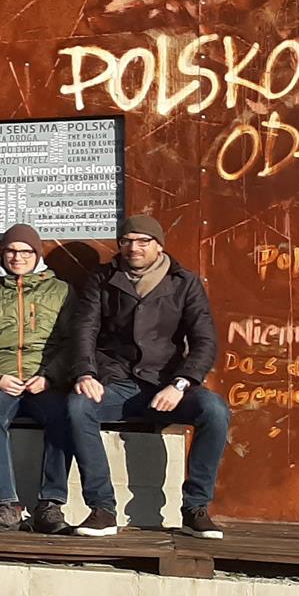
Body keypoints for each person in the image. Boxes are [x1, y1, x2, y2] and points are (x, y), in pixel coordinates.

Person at [68, 215, 227, 539]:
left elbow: (204, 341)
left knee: (214, 410)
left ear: (159, 246)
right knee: (77, 407)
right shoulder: (102, 278)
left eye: (143, 241)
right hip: (117, 382)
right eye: (127, 241)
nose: (133, 247)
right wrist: (86, 372)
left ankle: (195, 508)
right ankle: (102, 509)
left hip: (166, 382)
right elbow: (85, 329)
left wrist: (180, 383)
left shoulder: (184, 282)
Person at [0, 223, 75, 535]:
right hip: (0, 377)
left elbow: (72, 343)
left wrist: (50, 377)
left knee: (65, 415)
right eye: (11, 250)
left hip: (44, 378)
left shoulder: (62, 291)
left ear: (37, 254)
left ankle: (50, 503)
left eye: (25, 251)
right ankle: (7, 504)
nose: (17, 257)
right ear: (3, 254)